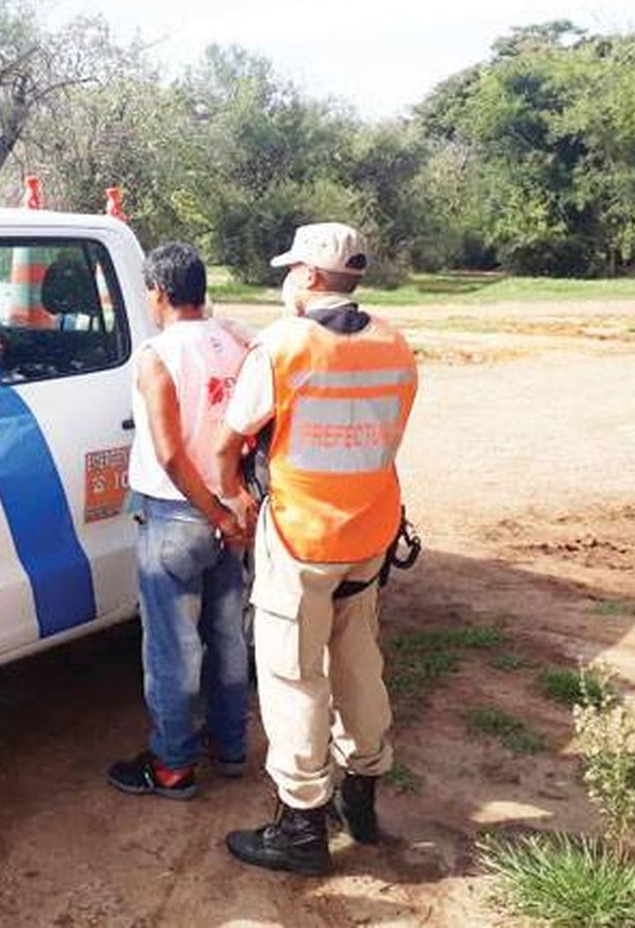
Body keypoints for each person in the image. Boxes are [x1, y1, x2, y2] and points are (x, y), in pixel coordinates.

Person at [213, 222, 418, 875]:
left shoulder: (284, 346)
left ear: (306, 276)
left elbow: (229, 443)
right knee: (358, 657)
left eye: (289, 271)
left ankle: (301, 824)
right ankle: (360, 795)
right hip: (370, 534)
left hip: (301, 538)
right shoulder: (395, 342)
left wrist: (236, 502)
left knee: (291, 671)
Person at [107, 242, 253, 800]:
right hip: (228, 511)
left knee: (171, 648)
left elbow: (170, 453)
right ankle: (231, 748)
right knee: (225, 636)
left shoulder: (156, 355)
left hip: (177, 515)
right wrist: (231, 507)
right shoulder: (234, 347)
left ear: (159, 293)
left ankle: (172, 765)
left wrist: (210, 510)